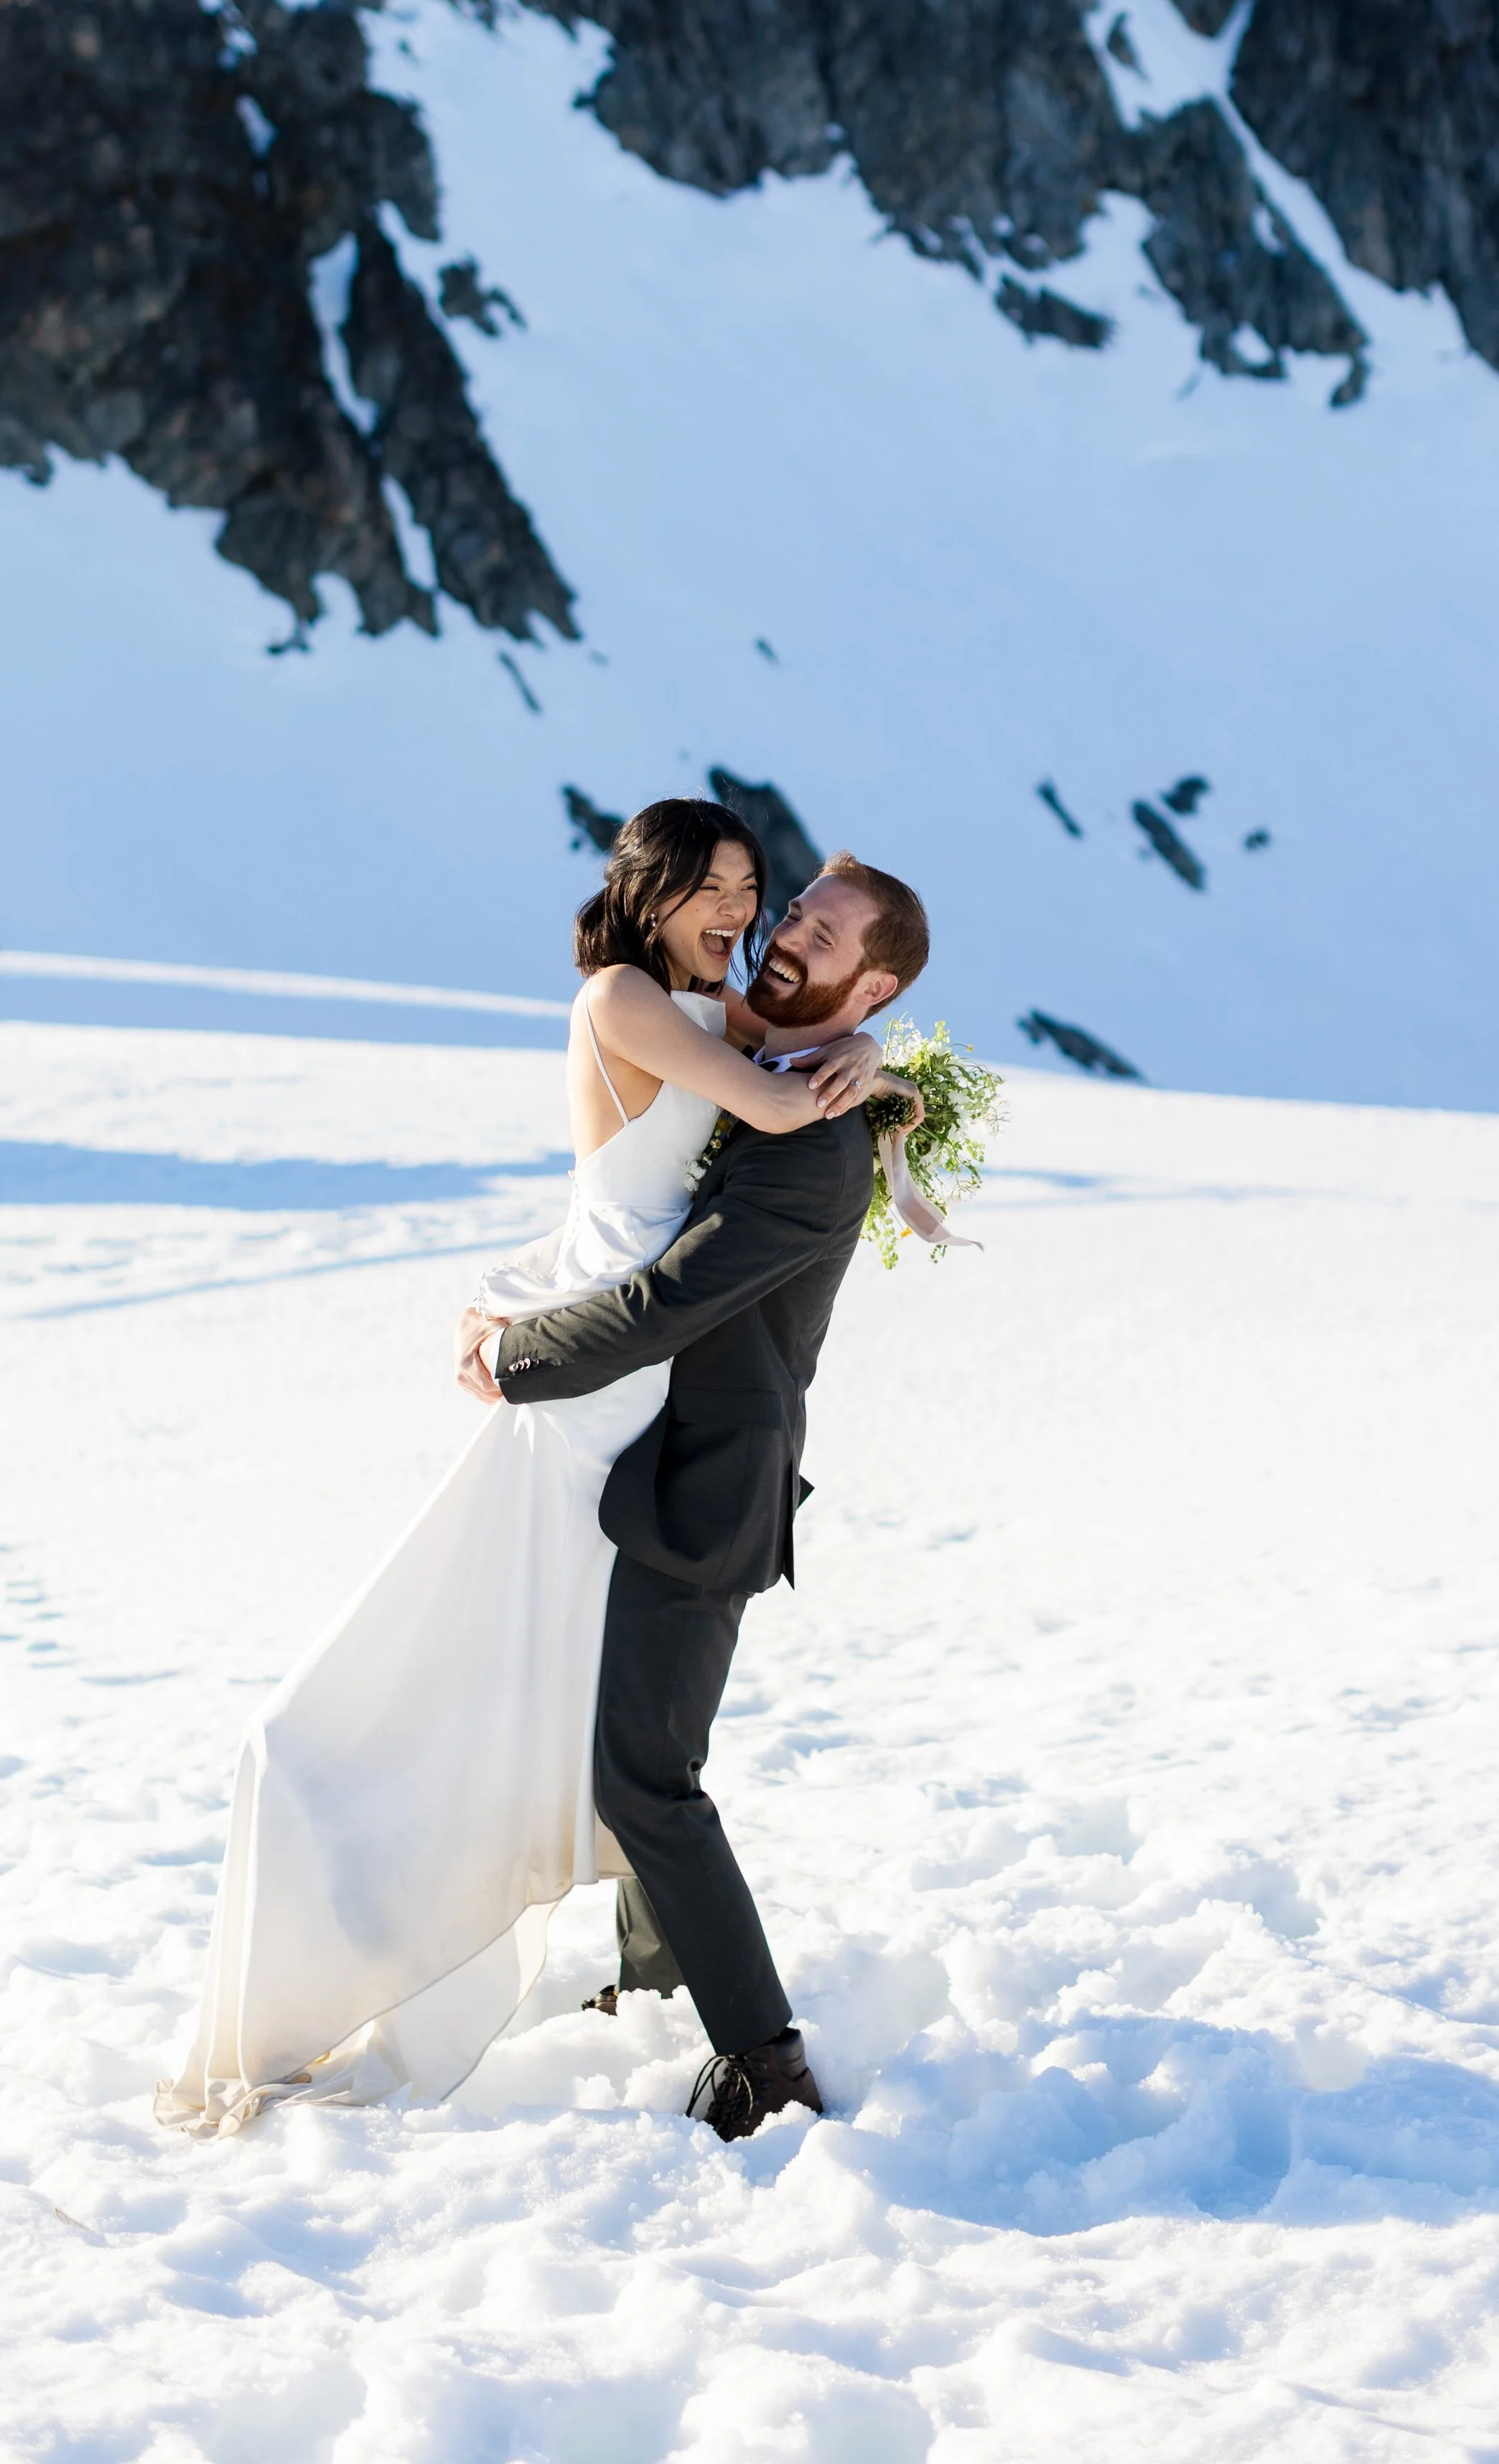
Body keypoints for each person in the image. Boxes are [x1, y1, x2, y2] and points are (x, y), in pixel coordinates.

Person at [156, 799, 907, 2139]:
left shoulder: (701, 1013)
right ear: (656, 888)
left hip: (641, 1415)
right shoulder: (633, 997)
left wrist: (874, 1068)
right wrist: (858, 1069)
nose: (753, 916)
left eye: (769, 894)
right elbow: (766, 1106)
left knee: (616, 1733)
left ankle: (688, 2000)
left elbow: (780, 1103)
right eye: (730, 892)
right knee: (531, 1700)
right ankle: (404, 1918)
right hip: (595, 1393)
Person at [458, 842, 932, 2142]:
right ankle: (660, 1982)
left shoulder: (812, 1142)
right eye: (791, 915)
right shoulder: (778, 1065)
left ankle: (767, 2062)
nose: (781, 939)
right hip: (650, 1460)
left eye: (821, 940)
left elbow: (672, 1304)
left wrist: (512, 1355)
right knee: (641, 1750)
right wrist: (886, 1077)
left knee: (647, 1776)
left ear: (873, 985)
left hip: (713, 1479)